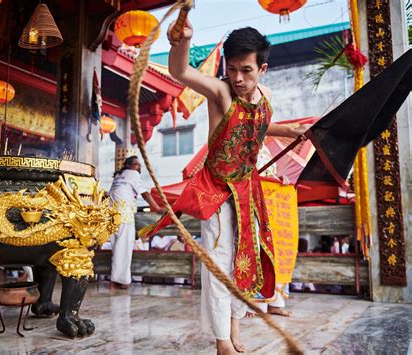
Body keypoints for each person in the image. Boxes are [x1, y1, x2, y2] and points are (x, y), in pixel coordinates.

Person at [140, 21, 310, 354]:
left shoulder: (265, 97)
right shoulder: (220, 92)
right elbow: (180, 71)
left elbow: (257, 127)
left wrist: (291, 132)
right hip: (215, 189)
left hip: (247, 190)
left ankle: (233, 324)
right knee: (218, 263)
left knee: (244, 260)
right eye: (232, 69)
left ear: (262, 68)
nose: (238, 78)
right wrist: (184, 40)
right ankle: (222, 341)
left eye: (247, 70)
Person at [109, 156, 164, 290]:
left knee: (117, 248)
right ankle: (122, 280)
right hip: (124, 215)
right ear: (128, 165)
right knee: (124, 248)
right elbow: (145, 193)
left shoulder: (118, 176)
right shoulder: (132, 174)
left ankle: (115, 279)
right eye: (136, 164)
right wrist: (157, 208)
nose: (139, 167)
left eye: (139, 165)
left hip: (112, 216)